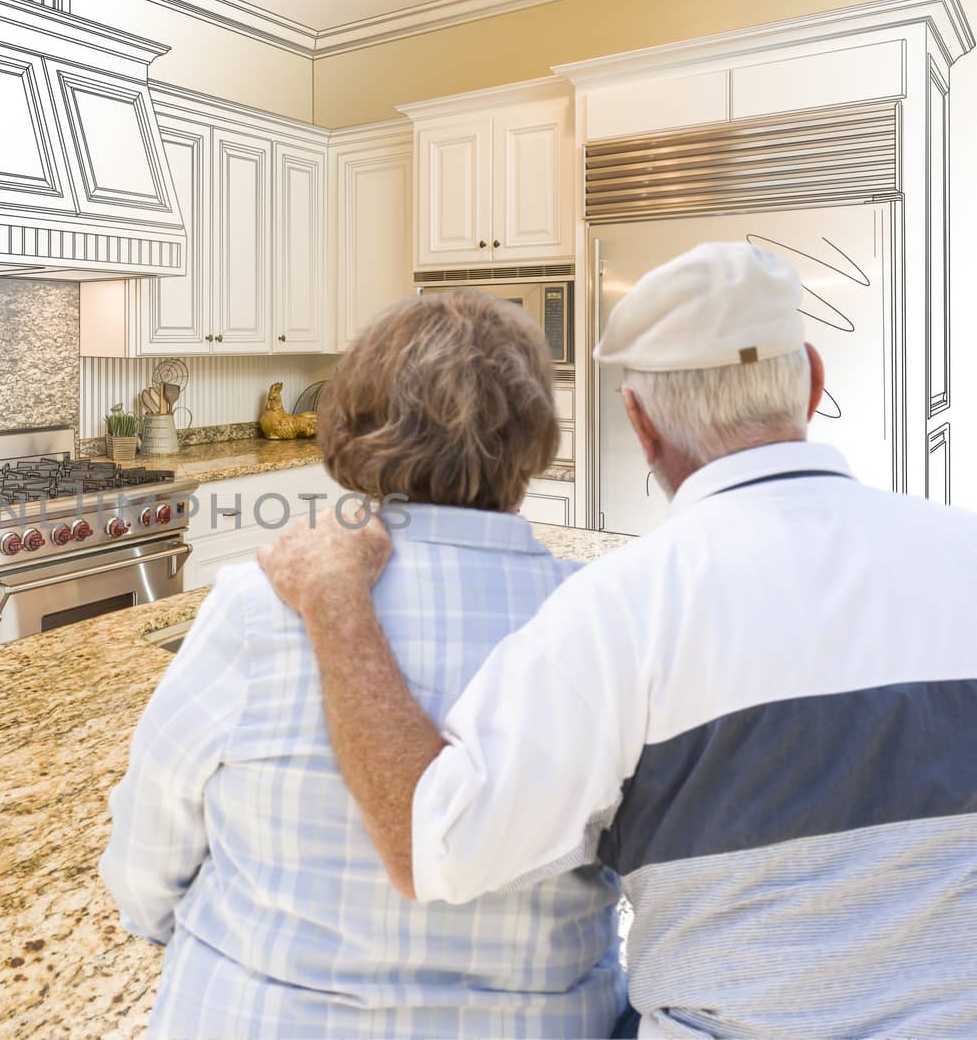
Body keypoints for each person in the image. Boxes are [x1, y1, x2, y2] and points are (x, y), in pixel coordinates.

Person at [257, 242, 977, 1038]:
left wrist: (334, 600)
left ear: (640, 424)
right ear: (811, 379)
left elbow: (433, 847)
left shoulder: (618, 611)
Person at [99, 291, 626, 1039]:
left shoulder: (260, 602)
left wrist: (170, 928)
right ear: (534, 434)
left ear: (356, 423)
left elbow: (152, 842)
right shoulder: (600, 622)